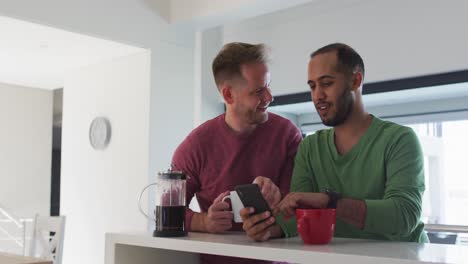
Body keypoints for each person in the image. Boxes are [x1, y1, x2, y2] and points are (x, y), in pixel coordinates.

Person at [241, 43, 429, 243]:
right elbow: (296, 216)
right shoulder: (310, 147)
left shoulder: (399, 139)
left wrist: (329, 202)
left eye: (327, 83)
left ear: (356, 81)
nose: (317, 95)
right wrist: (267, 228)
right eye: (312, 86)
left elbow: (405, 215)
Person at [172, 42, 303, 263]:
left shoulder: (288, 134)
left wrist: (280, 197)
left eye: (269, 85)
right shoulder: (195, 146)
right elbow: (166, 214)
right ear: (228, 95)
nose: (270, 97)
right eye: (258, 90)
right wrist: (204, 222)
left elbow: (303, 204)